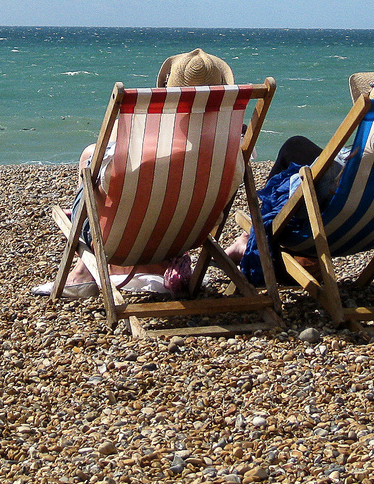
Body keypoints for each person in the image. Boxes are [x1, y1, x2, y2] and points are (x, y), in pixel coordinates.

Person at [33, 48, 239, 298]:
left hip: (122, 240)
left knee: (90, 163)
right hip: (187, 236)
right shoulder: (230, 149)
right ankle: (159, 265)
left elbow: (110, 181)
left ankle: (82, 272)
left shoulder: (151, 147)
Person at [227, 70, 374, 285]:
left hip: (337, 226)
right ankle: (257, 238)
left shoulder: (367, 158)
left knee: (294, 147)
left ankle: (253, 236)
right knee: (299, 148)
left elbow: (337, 181)